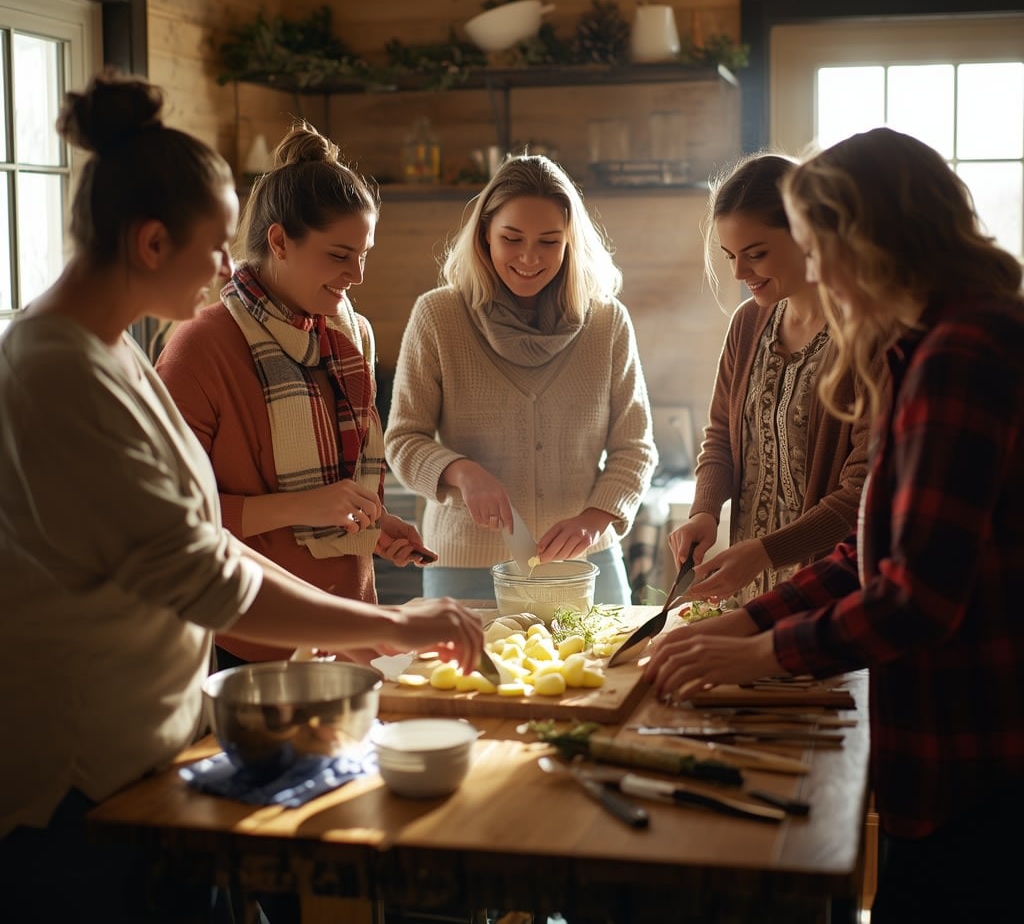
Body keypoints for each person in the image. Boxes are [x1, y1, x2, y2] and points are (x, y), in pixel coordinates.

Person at [0, 71, 482, 923]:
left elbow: (208, 543)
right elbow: (203, 573)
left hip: (148, 754)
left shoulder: (110, 354)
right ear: (152, 243)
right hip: (75, 786)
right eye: (220, 244)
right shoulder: (52, 371)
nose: (232, 267)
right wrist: (394, 626)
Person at [645, 127, 1024, 922]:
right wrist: (748, 618)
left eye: (816, 251)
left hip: (979, 750)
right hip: (942, 748)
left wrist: (757, 653)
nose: (810, 275)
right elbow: (869, 551)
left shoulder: (968, 350)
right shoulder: (924, 345)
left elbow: (915, 596)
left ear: (873, 243)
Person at [156, 121, 429, 666]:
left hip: (352, 628)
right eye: (338, 255)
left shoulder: (349, 334)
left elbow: (334, 493)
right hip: (250, 644)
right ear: (279, 241)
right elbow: (173, 526)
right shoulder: (199, 348)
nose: (357, 274)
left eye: (364, 254)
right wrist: (308, 505)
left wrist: (369, 525)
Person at [384, 154, 656, 604]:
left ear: (570, 242)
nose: (530, 258)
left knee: (608, 674)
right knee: (467, 678)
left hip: (585, 564)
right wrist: (461, 472)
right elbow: (403, 440)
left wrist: (594, 517)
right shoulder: (439, 316)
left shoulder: (607, 322)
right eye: (512, 239)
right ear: (484, 236)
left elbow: (635, 448)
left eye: (549, 241)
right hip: (467, 568)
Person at [667, 153, 870, 605]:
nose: (740, 273)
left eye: (756, 254)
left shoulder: (864, 335)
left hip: (827, 596)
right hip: (748, 592)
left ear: (808, 235)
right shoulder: (748, 324)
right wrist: (705, 512)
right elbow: (721, 435)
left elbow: (863, 489)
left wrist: (767, 551)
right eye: (730, 256)